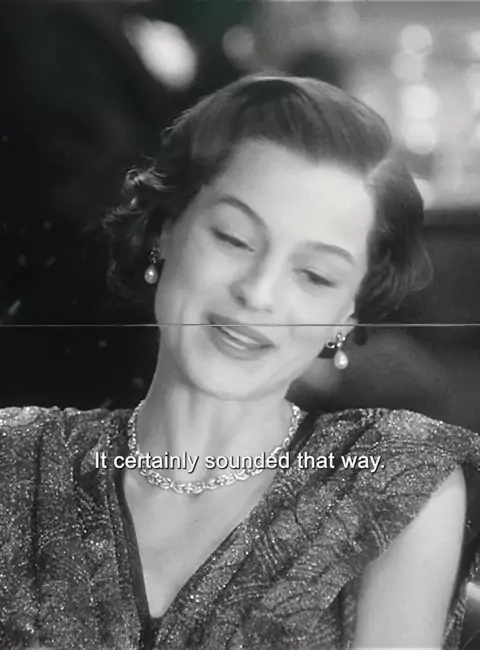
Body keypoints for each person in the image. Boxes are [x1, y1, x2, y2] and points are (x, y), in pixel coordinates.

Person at [1, 74, 480, 650]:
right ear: (164, 231)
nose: (258, 292)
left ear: (345, 316)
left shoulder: (392, 482)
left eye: (315, 275)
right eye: (233, 238)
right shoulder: (16, 463)